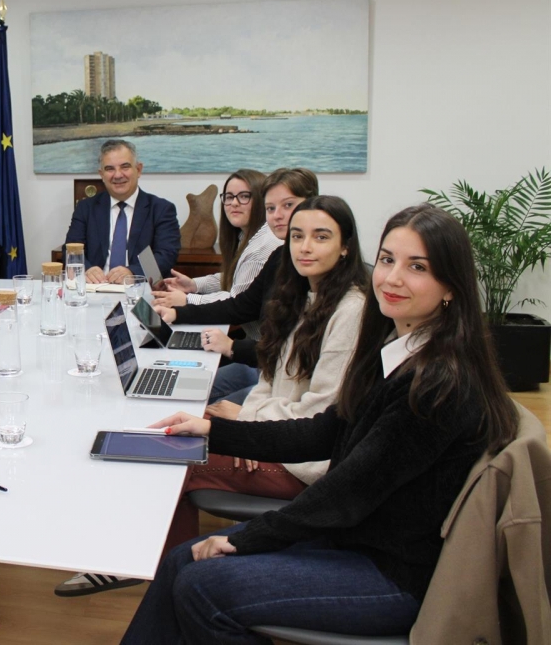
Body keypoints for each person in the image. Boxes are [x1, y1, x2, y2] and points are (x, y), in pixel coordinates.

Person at [121, 204, 519, 644]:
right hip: (351, 538)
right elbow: (325, 431)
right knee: (182, 561)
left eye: (417, 267)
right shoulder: (397, 349)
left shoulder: (437, 384)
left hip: (390, 572)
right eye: (387, 260)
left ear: (450, 287)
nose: (392, 278)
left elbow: (349, 491)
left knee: (201, 586)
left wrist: (249, 539)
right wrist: (214, 431)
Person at [162, 195, 369, 556]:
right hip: (273, 434)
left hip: (304, 462)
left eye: (321, 237)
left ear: (346, 247)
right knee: (174, 427)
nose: (305, 247)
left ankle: (168, 565)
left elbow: (319, 416)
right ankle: (168, 563)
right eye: (297, 236)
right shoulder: (303, 297)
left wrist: (248, 422)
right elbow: (269, 379)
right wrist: (248, 425)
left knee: (175, 456)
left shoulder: (351, 311)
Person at [157, 168, 319, 405]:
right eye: (271, 208)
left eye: (288, 205)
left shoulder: (282, 255)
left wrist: (231, 346)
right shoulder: (280, 256)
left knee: (201, 407)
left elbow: (288, 352)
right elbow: (242, 305)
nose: (277, 215)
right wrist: (179, 312)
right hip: (264, 363)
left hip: (283, 379)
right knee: (177, 388)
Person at [152, 169, 282, 324]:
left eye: (244, 196)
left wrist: (187, 299)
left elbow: (236, 301)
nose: (234, 203)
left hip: (258, 337)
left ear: (262, 201)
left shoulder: (262, 247)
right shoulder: (247, 235)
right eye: (229, 197)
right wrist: (193, 285)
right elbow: (236, 276)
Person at [63, 139, 180, 283]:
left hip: (139, 288)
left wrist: (133, 272)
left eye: (125, 167)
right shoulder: (86, 208)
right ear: (101, 174)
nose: (118, 175)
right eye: (110, 169)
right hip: (96, 288)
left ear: (138, 170)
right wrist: (87, 269)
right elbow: (70, 250)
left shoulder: (161, 209)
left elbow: (166, 255)